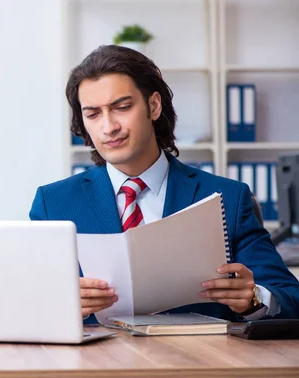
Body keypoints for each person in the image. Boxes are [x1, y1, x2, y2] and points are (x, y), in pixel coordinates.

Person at [29, 44, 299, 323]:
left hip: (201, 362)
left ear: (154, 105)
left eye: (122, 107)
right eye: (93, 114)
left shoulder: (228, 197)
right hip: (96, 364)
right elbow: (28, 304)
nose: (108, 127)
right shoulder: (54, 203)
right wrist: (60, 304)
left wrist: (254, 298)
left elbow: (291, 298)